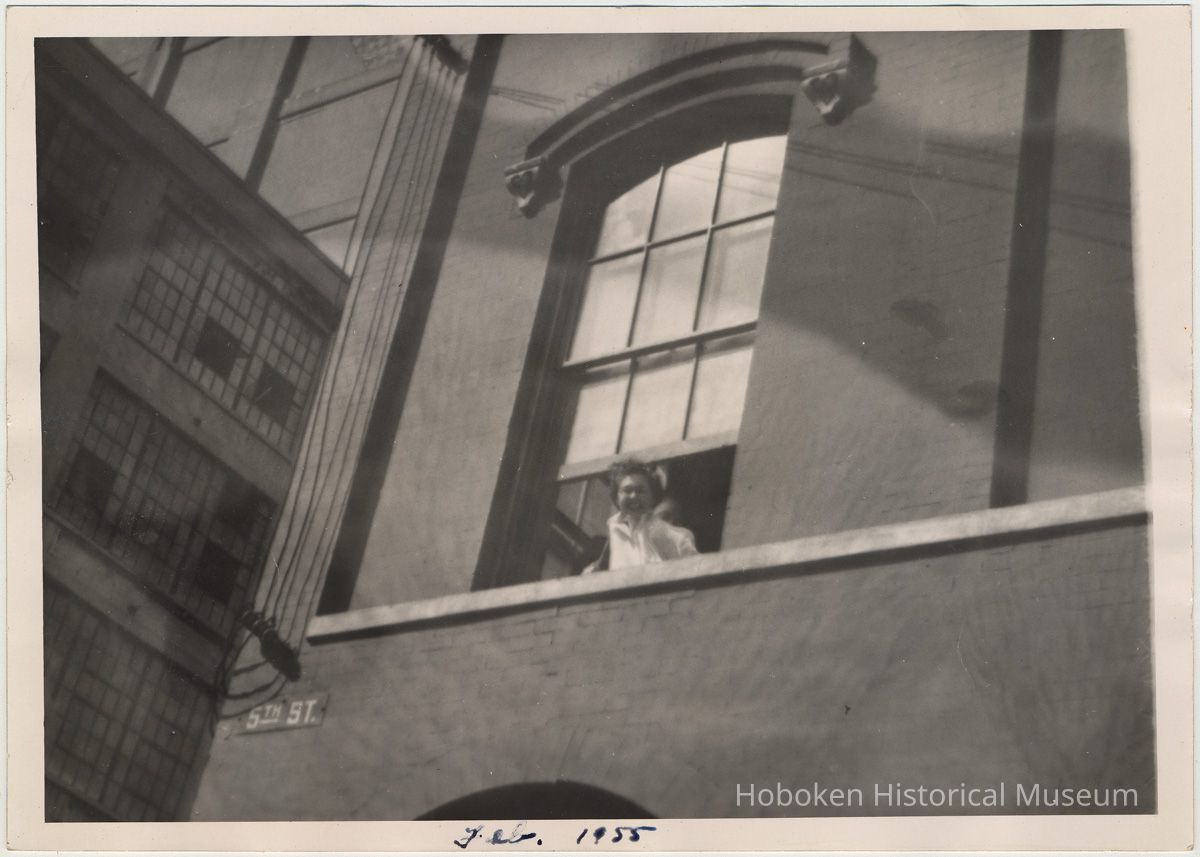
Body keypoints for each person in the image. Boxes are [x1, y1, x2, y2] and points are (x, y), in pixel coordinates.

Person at [582, 459, 698, 574]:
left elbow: (695, 570)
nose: (633, 496)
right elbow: (599, 567)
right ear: (617, 497)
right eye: (627, 490)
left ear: (652, 496)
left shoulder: (676, 536)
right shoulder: (614, 529)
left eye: (640, 490)